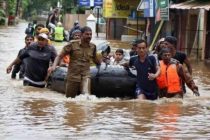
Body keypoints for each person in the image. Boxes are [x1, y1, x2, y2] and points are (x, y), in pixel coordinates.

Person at [49, 26, 101, 98]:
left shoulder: (93, 47)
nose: (89, 36)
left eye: (90, 34)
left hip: (85, 75)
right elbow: (59, 56)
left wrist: (102, 65)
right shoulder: (72, 44)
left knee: (86, 96)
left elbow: (95, 59)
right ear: (81, 35)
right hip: (73, 76)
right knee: (70, 99)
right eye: (87, 34)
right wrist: (53, 66)